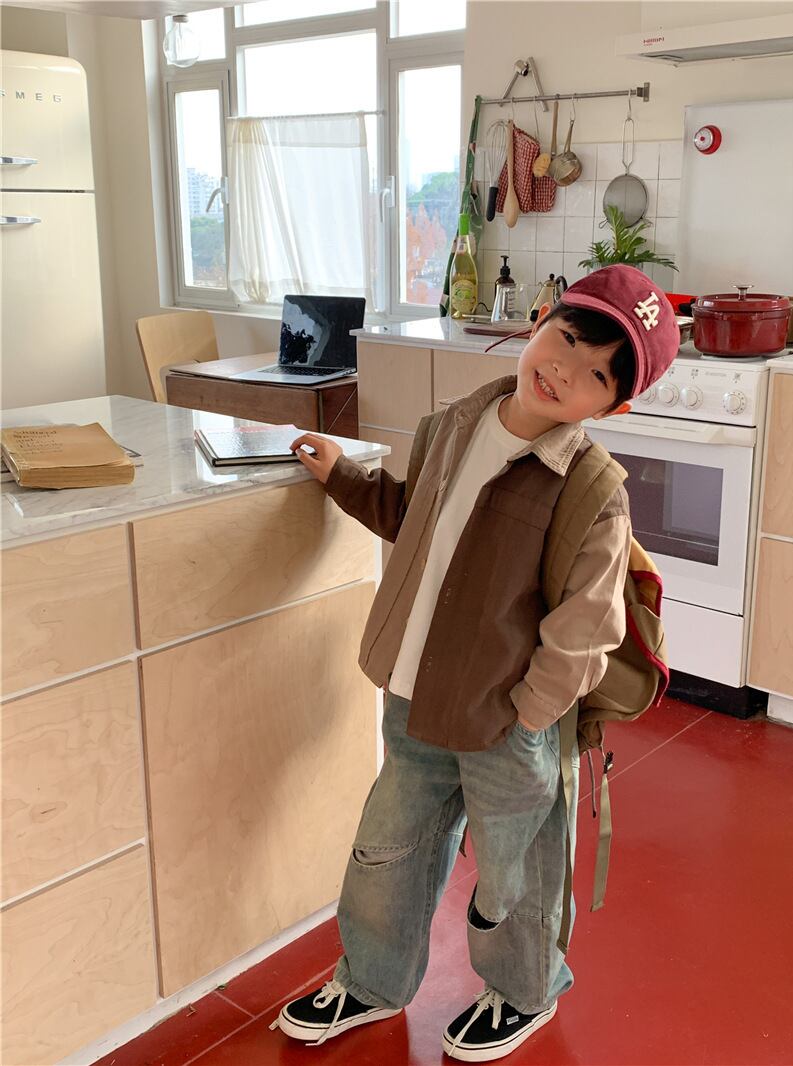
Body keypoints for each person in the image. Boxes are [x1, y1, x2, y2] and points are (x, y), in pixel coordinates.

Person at [272, 265, 680, 1061]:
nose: (567, 369)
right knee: (388, 848)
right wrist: (343, 477)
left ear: (614, 406)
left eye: (599, 374)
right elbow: (414, 517)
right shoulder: (453, 425)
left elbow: (585, 629)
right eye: (568, 337)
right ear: (540, 320)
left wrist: (527, 717)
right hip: (415, 697)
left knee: (514, 872)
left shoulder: (591, 488)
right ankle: (373, 980)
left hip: (507, 724)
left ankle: (524, 991)